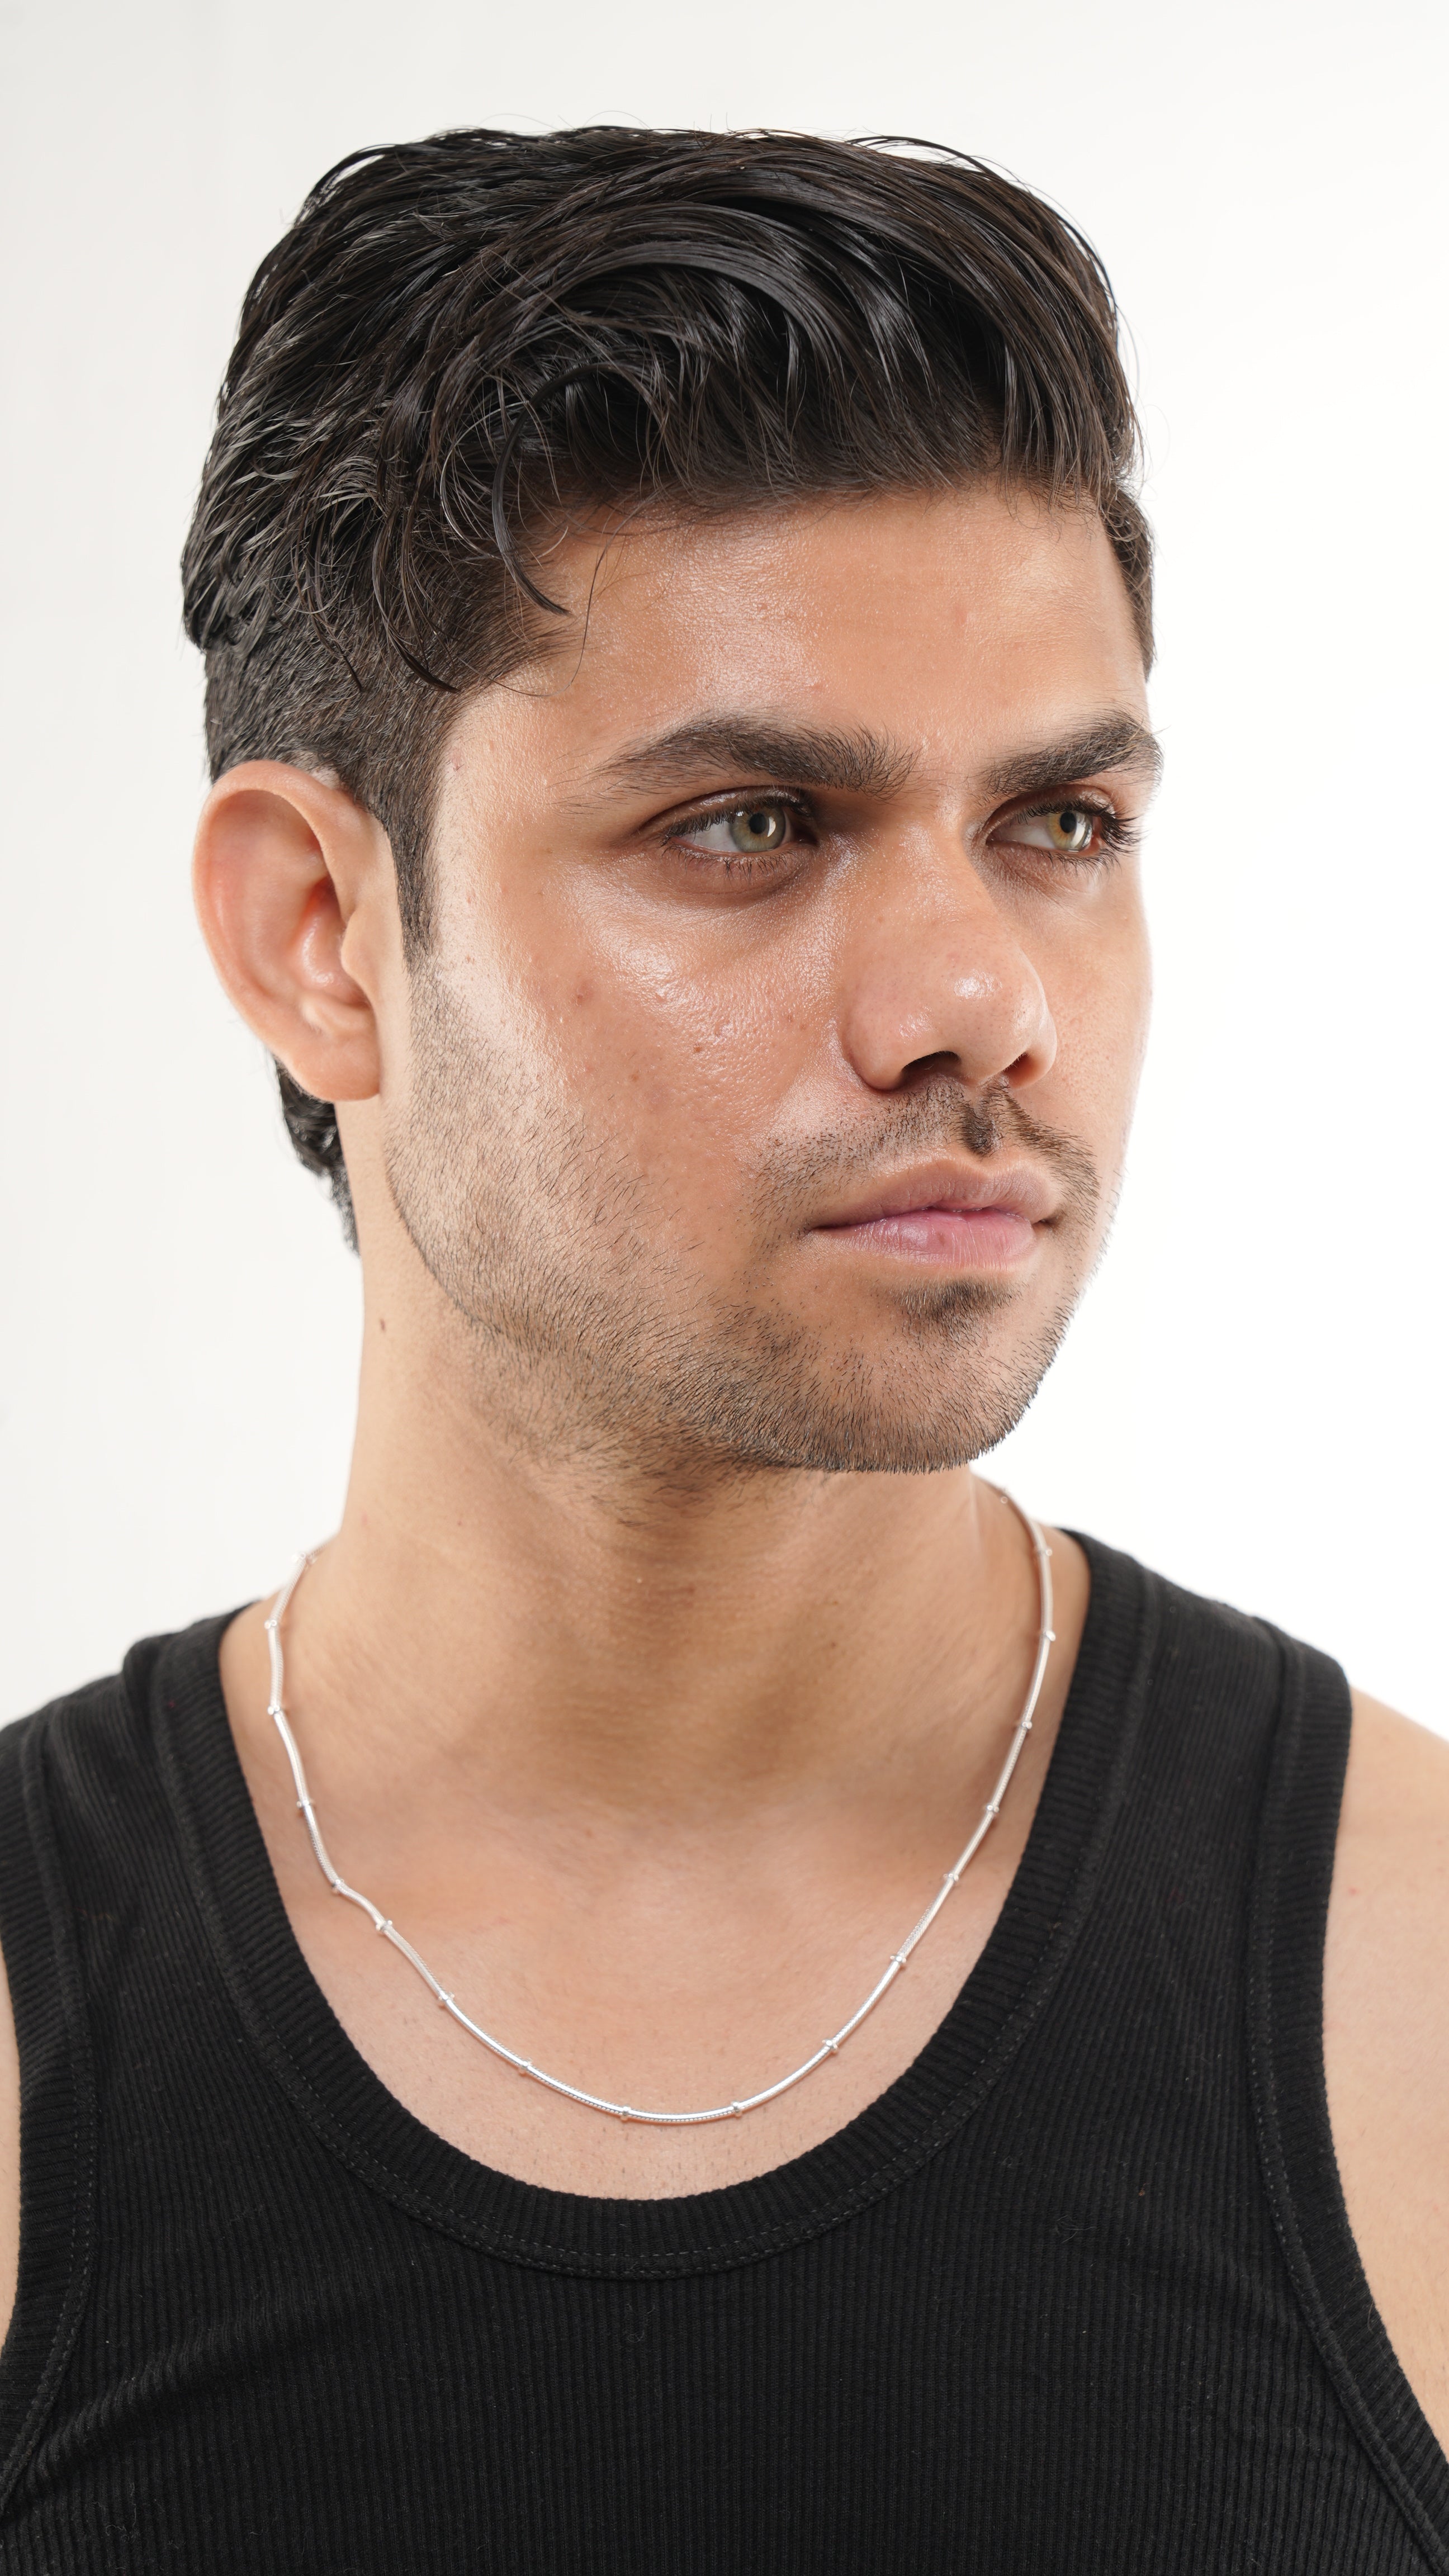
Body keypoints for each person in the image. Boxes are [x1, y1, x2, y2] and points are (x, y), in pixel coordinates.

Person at [0, 125, 1445, 2572]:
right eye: (753, 826)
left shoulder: (1416, 2005)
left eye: (1061, 823)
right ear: (321, 935)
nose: (976, 999)